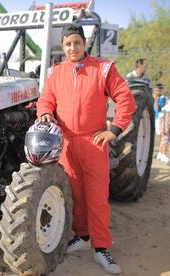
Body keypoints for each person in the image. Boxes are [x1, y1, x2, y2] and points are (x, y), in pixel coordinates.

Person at [36, 23, 135, 275]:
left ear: (83, 43)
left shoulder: (103, 68)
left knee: (97, 197)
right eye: (68, 44)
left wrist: (115, 129)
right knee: (76, 194)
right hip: (66, 143)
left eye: (77, 43)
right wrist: (46, 112)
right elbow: (46, 99)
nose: (72, 48)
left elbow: (125, 97)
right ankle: (82, 236)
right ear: (63, 46)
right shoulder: (56, 72)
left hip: (94, 142)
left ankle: (101, 247)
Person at [154, 84, 169, 162]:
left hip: (161, 118)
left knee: (163, 137)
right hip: (156, 119)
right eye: (156, 90)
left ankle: (162, 153)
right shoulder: (153, 98)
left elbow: (158, 108)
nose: (157, 92)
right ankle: (160, 153)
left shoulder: (163, 98)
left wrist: (156, 99)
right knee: (161, 137)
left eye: (158, 90)